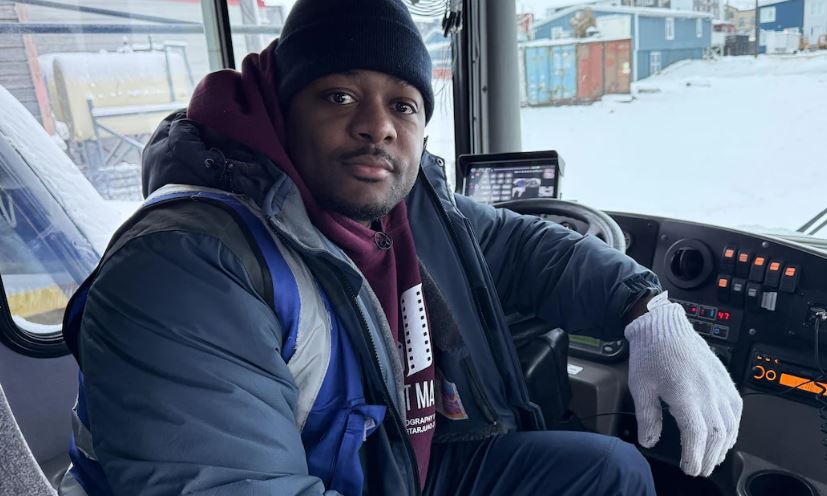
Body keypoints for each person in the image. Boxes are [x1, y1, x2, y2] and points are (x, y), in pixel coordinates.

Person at [59, 0, 742, 495]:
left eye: (403, 105)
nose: (376, 127)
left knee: (608, 470)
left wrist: (648, 311)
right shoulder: (189, 268)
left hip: (392, 464)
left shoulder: (396, 211)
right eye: (338, 95)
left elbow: (525, 247)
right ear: (280, 112)